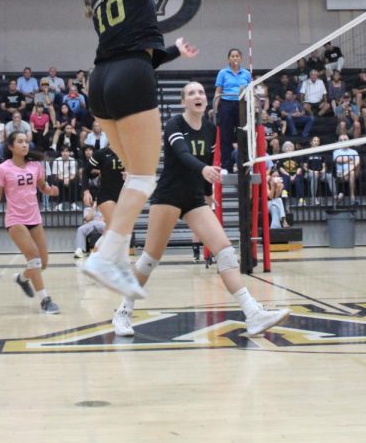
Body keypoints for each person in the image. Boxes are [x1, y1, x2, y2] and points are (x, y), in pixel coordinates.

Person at [63, 0, 199, 300]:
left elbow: (135, 49)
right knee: (144, 177)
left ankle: (114, 255)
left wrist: (173, 53)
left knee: (132, 178)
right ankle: (106, 254)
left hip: (99, 83)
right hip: (129, 77)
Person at [109, 82, 289, 337]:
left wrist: (207, 194)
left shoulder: (210, 129)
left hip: (194, 198)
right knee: (149, 259)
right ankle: (123, 311)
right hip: (169, 196)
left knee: (225, 252)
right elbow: (183, 154)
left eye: (201, 92)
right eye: (191, 93)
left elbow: (207, 165)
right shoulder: (174, 125)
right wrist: (203, 169)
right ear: (183, 102)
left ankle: (252, 314)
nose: (197, 96)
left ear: (206, 101)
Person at [0, 131, 61, 314]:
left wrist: (51, 191)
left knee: (43, 262)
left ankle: (21, 278)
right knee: (35, 259)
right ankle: (45, 300)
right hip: (15, 219)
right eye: (20, 142)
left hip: (34, 218)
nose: (24, 145)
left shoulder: (36, 165)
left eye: (26, 141)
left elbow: (42, 187)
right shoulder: (3, 169)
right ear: (11, 147)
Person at [213, 48, 251, 172]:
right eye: (232, 56)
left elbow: (250, 92)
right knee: (226, 137)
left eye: (237, 56)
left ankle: (245, 165)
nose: (235, 58)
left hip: (242, 104)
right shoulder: (223, 73)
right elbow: (218, 91)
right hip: (226, 104)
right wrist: (214, 108)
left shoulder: (246, 73)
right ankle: (226, 167)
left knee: (244, 135)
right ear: (228, 58)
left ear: (241, 58)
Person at [332, 135, 360, 202]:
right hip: (339, 174)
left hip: (351, 173)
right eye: (341, 140)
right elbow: (338, 160)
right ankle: (345, 195)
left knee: (352, 172)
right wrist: (350, 159)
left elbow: (357, 162)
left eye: (345, 139)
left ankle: (352, 196)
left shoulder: (354, 151)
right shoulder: (336, 152)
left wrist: (345, 160)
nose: (343, 141)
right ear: (338, 142)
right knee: (351, 172)